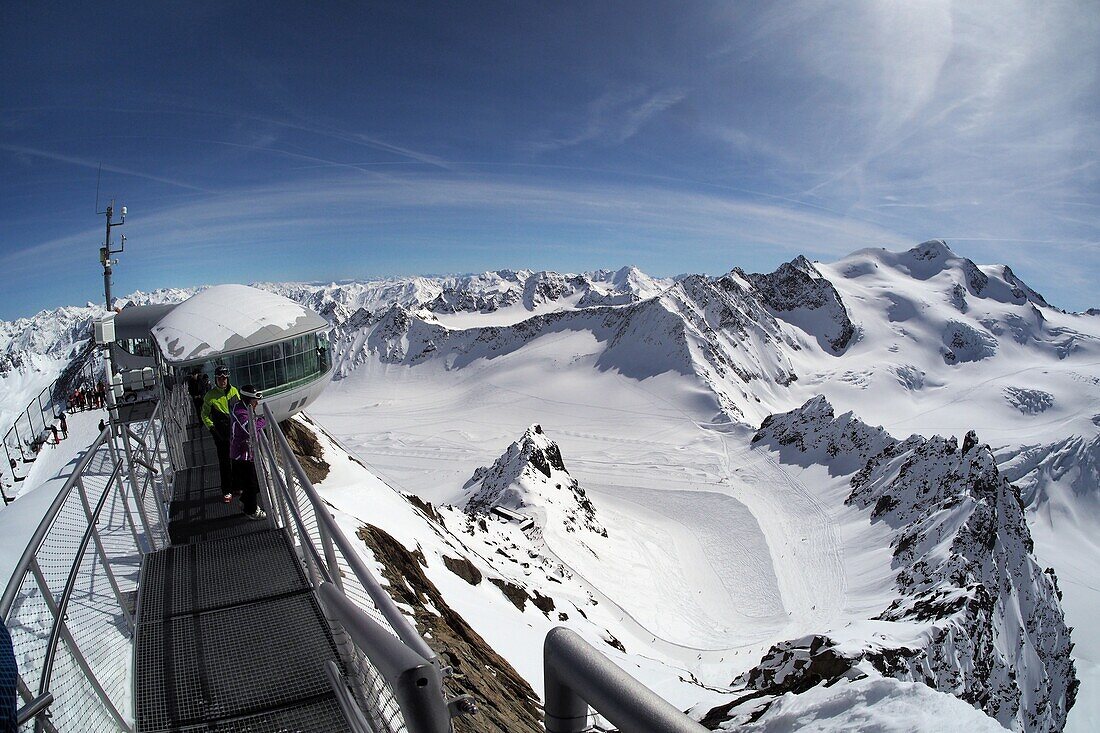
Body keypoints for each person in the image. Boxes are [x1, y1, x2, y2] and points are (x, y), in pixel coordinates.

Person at [201, 366, 239, 502]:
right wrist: (212, 429)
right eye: (220, 378)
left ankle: (236, 485)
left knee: (236, 460)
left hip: (235, 433)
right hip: (221, 435)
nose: (223, 381)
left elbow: (239, 409)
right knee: (224, 463)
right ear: (216, 379)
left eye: (224, 378)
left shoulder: (234, 391)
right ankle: (226, 490)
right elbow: (204, 415)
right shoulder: (210, 396)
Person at [230, 385, 267, 520]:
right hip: (242, 454)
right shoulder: (241, 412)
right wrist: (264, 420)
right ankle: (251, 511)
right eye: (254, 400)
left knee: (254, 482)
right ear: (247, 399)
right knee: (252, 484)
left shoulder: (242, 408)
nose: (256, 403)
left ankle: (245, 502)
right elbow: (250, 428)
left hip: (245, 452)